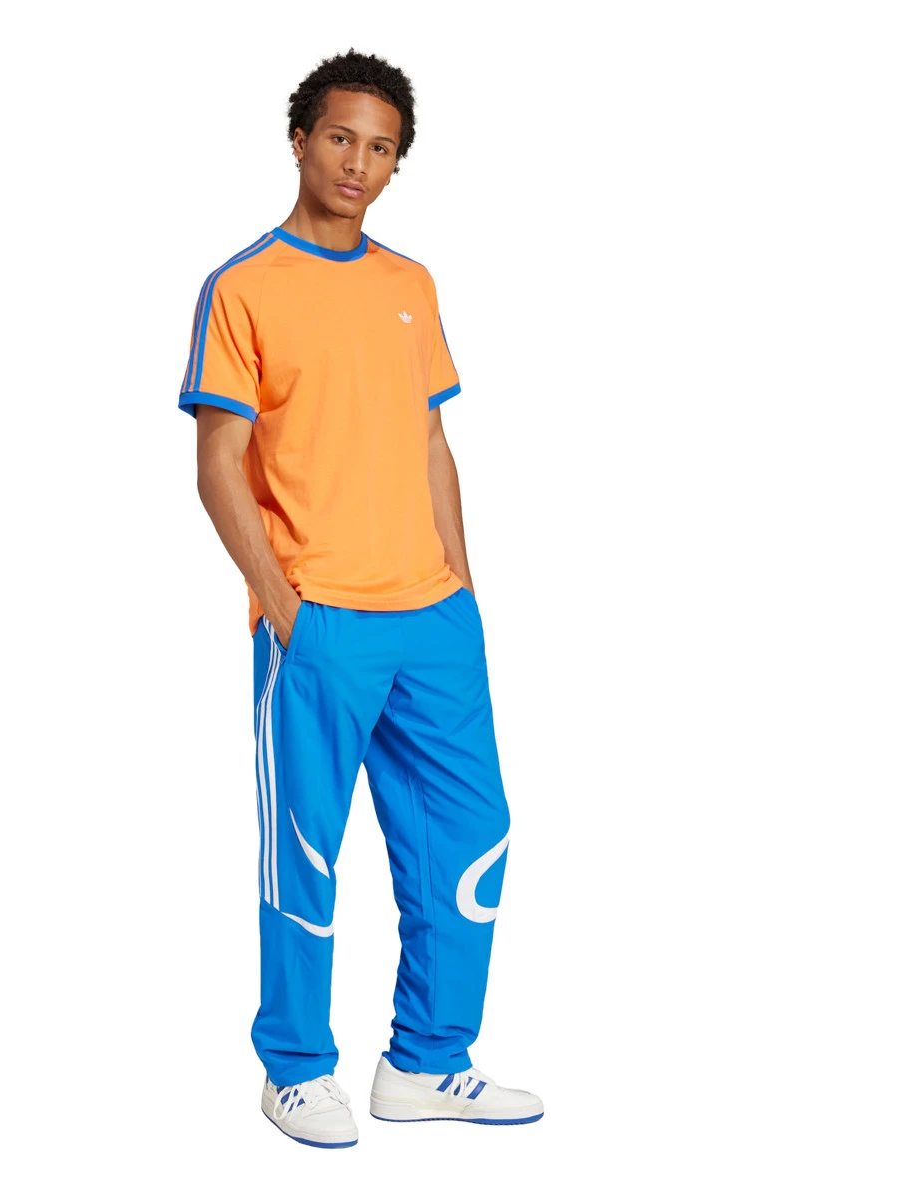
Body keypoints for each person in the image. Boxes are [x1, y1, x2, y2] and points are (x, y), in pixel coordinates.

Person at [178, 48, 543, 1149]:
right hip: (320, 619)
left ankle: (428, 1061)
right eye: (340, 137)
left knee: (472, 837)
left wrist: (462, 586)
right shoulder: (243, 287)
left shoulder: (409, 286)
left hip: (432, 617)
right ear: (300, 139)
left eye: (380, 148)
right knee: (306, 850)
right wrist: (280, 603)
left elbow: (431, 441)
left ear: (395, 165)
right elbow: (217, 462)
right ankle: (295, 1069)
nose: (357, 162)